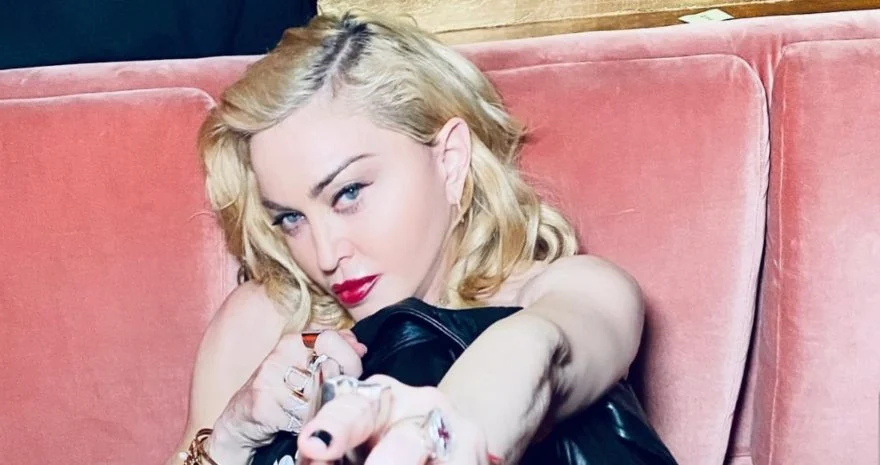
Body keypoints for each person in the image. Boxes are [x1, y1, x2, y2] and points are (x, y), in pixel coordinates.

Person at [168, 11, 674, 465]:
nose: (324, 256)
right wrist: (230, 436)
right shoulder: (262, 321)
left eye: (348, 193)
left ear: (449, 160)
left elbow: (538, 348)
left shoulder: (570, 289)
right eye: (291, 218)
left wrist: (447, 429)